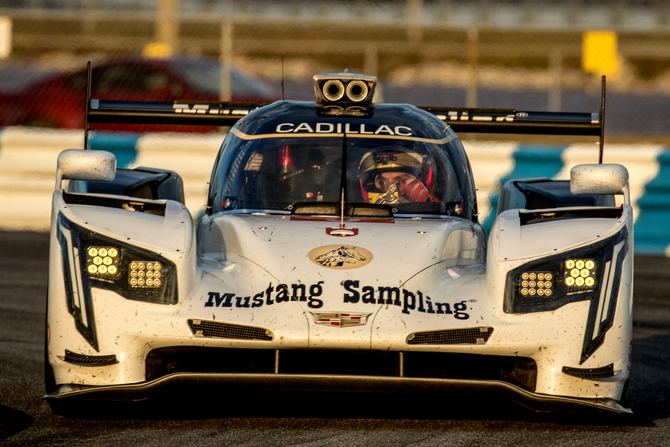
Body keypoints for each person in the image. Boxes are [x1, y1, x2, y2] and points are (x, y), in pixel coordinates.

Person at [358, 146, 441, 205]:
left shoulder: (443, 216)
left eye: (399, 182)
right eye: (382, 182)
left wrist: (428, 203)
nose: (389, 188)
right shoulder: (347, 216)